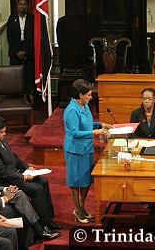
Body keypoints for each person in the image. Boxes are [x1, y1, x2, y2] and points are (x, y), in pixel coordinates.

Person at [0, 143, 60, 244]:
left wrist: (6, 189)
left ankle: (40, 230)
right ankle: (37, 233)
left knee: (19, 193)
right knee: (21, 210)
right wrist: (4, 199)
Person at [0, 115, 61, 233]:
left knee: (43, 181)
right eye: (2, 132)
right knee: (37, 189)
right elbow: (1, 173)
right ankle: (41, 225)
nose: (5, 134)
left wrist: (27, 167)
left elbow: (13, 157)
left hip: (14, 174)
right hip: (6, 181)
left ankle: (47, 220)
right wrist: (23, 177)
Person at [63, 79, 112, 223]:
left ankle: (81, 208)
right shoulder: (71, 110)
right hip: (75, 151)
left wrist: (101, 124)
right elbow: (75, 132)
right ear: (80, 94)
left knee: (85, 181)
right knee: (76, 181)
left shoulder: (84, 105)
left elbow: (88, 124)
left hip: (87, 148)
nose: (91, 97)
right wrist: (96, 131)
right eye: (89, 95)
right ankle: (77, 210)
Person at [6, 0, 38, 108]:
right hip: (15, 53)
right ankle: (15, 101)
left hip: (29, 53)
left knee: (29, 77)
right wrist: (17, 52)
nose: (22, 6)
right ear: (17, 5)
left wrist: (25, 51)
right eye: (20, 4)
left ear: (28, 6)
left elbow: (35, 37)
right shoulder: (12, 18)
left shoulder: (32, 19)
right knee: (15, 77)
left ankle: (31, 101)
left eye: (24, 4)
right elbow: (9, 37)